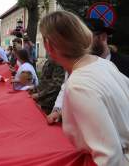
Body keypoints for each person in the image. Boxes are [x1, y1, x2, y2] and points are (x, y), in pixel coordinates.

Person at [40, 11, 129, 165]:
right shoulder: (103, 64)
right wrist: (61, 111)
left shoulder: (79, 84)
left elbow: (109, 158)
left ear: (48, 46)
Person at [47, 17, 129, 124]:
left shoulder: (125, 64)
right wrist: (57, 111)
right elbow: (66, 87)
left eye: (86, 38)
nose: (81, 44)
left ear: (103, 37)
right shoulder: (78, 64)